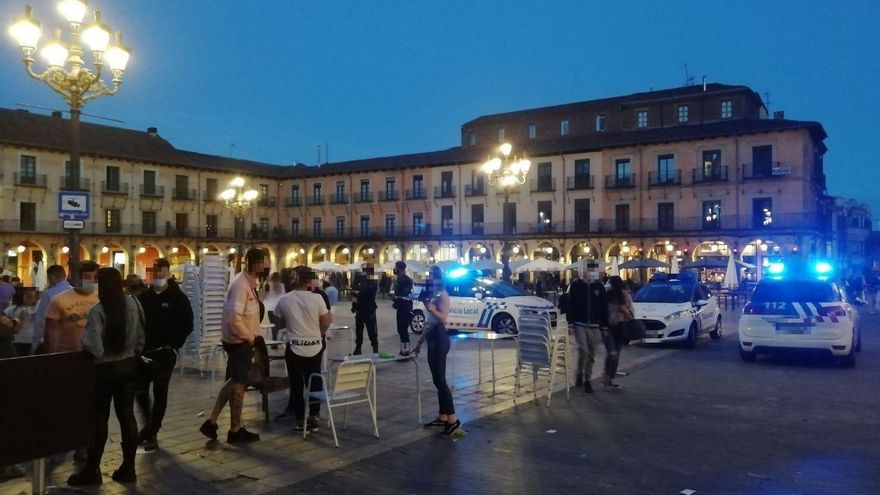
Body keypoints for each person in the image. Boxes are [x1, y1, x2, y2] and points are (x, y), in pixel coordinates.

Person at [67, 267, 145, 486]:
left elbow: (95, 347)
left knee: (99, 419)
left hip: (104, 370)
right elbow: (141, 337)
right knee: (127, 416)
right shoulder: (134, 304)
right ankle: (129, 468)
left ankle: (92, 470)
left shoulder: (98, 311)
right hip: (128, 367)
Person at [199, 248, 265, 444]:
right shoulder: (240, 286)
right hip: (239, 342)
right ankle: (235, 430)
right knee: (238, 386)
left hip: (239, 341)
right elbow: (234, 319)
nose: (265, 266)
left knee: (232, 382)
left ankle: (211, 422)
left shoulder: (247, 283)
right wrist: (250, 338)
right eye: (263, 262)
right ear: (255, 263)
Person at [135, 258, 194, 452]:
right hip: (144, 351)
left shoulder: (178, 298)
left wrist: (174, 346)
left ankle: (152, 432)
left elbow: (188, 324)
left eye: (162, 273)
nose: (159, 276)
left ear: (168, 274)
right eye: (156, 273)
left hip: (165, 353)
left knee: (160, 391)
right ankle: (149, 424)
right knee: (141, 391)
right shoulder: (143, 297)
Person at [273, 267, 332, 430]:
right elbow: (327, 321)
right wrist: (318, 333)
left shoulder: (284, 300)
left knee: (297, 384)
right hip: (315, 346)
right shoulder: (318, 298)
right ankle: (314, 417)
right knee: (315, 381)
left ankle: (300, 420)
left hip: (294, 347)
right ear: (309, 281)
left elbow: (279, 324)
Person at [408, 266, 460, 435]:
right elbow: (429, 323)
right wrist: (419, 343)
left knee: (440, 381)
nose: (429, 280)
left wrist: (429, 306)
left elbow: (442, 318)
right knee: (438, 379)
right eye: (429, 277)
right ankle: (443, 416)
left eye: (433, 277)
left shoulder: (443, 295)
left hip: (440, 338)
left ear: (439, 280)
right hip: (433, 337)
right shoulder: (435, 295)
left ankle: (453, 419)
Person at [44, 261, 100, 354]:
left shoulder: (101, 299)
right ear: (79, 278)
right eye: (88, 278)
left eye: (96, 278)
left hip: (93, 355)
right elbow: (50, 331)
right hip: (66, 355)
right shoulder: (59, 300)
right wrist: (51, 356)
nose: (92, 281)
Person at [566, 277, 607, 393]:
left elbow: (603, 306)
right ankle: (579, 372)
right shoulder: (576, 285)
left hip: (594, 324)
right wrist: (570, 324)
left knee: (592, 353)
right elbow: (570, 304)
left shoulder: (599, 286)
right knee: (583, 350)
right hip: (580, 323)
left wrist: (604, 326)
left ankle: (587, 379)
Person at [31, 264, 72, 353]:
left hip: (53, 341)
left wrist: (34, 344)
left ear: (52, 277)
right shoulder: (74, 292)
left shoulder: (49, 294)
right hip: (72, 340)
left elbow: (40, 320)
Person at [604, 276, 633, 389]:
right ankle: (609, 377)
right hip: (618, 325)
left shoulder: (609, 295)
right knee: (615, 352)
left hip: (610, 325)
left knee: (612, 352)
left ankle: (608, 377)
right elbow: (628, 308)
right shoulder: (623, 295)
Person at [3, 286, 38, 356]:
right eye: (26, 294)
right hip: (17, 342)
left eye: (31, 295)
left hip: (34, 342)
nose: (29, 297)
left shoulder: (40, 309)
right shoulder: (11, 310)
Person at [352, 266, 379, 354]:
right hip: (359, 309)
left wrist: (358, 292)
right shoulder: (359, 281)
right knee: (358, 330)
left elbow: (368, 292)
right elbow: (354, 294)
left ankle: (375, 348)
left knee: (371, 330)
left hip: (369, 309)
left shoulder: (373, 280)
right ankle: (358, 348)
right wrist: (354, 305)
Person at [392, 261, 414, 355]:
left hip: (405, 308)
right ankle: (403, 349)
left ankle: (406, 350)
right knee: (400, 330)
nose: (394, 269)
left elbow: (406, 295)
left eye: (396, 267)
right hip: (400, 307)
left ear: (400, 269)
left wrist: (396, 298)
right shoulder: (399, 279)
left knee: (403, 330)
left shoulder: (406, 280)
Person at [262, 272, 285, 339]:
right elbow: (284, 295)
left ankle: (274, 340)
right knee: (277, 326)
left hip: (270, 308)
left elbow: (263, 296)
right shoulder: (282, 285)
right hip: (279, 307)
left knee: (273, 325)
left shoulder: (267, 285)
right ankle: (276, 339)